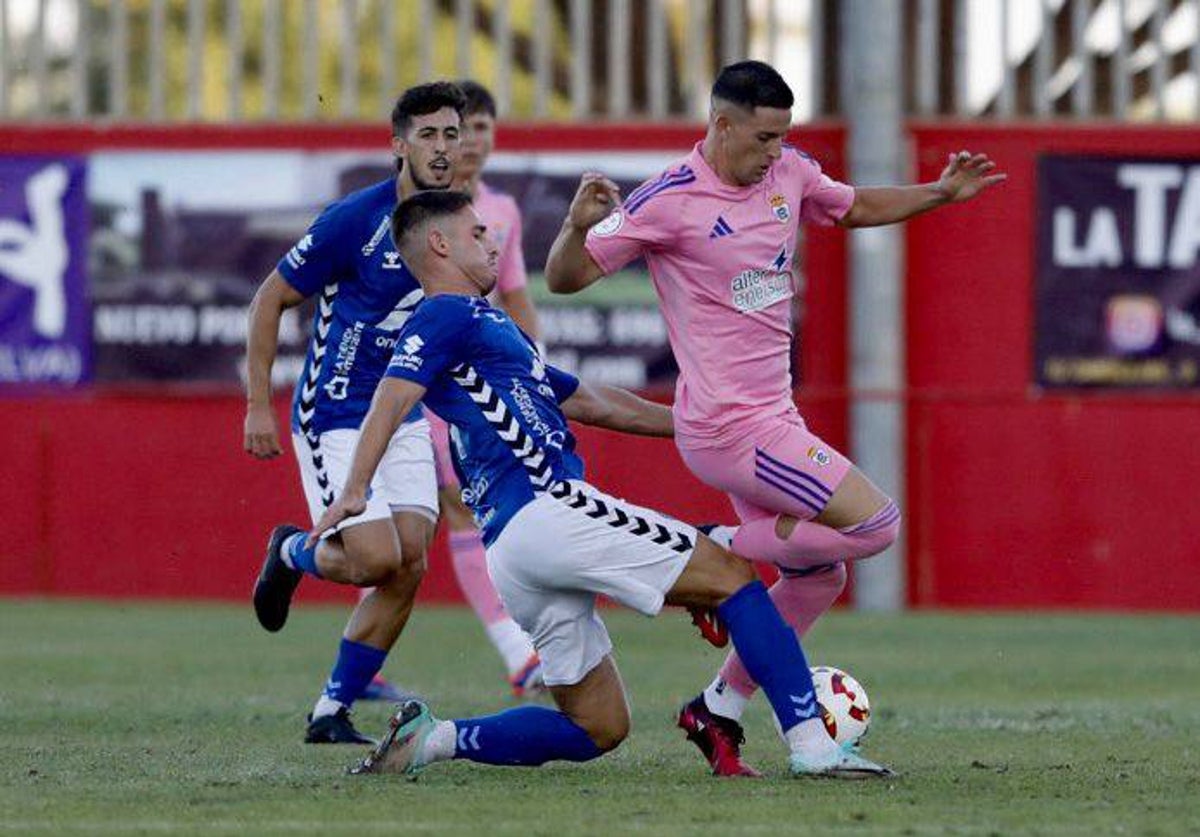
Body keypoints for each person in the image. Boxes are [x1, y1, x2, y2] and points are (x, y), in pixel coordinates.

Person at [310, 189, 890, 779]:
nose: (492, 242)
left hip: (513, 551)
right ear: (440, 244)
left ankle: (433, 739)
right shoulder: (444, 313)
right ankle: (813, 748)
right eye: (478, 233)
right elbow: (394, 391)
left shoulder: (487, 329)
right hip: (548, 507)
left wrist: (696, 427)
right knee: (733, 576)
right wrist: (356, 489)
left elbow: (593, 401)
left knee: (598, 727)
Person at [543, 60, 1005, 776]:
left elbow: (852, 208)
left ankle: (718, 708)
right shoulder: (668, 199)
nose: (774, 152)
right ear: (721, 125)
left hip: (770, 418)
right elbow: (565, 280)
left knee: (820, 578)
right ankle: (711, 541)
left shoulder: (789, 173)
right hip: (730, 428)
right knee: (878, 525)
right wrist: (576, 230)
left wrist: (940, 194)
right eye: (762, 137)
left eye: (783, 136)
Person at [244, 81, 466, 745]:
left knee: (413, 563)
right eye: (427, 134)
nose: (441, 147)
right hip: (335, 410)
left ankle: (329, 712)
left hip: (399, 414)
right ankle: (290, 551)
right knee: (373, 559)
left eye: (451, 134)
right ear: (398, 144)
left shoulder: (454, 222)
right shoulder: (354, 220)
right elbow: (268, 299)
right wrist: (258, 401)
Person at [423, 79, 545, 695]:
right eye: (462, 129)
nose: (473, 142)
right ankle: (517, 650)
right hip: (413, 377)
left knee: (472, 505)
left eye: (483, 129)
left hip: (475, 382)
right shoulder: (415, 209)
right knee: (415, 521)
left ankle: (521, 647)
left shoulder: (502, 212)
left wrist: (536, 364)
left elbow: (516, 296)